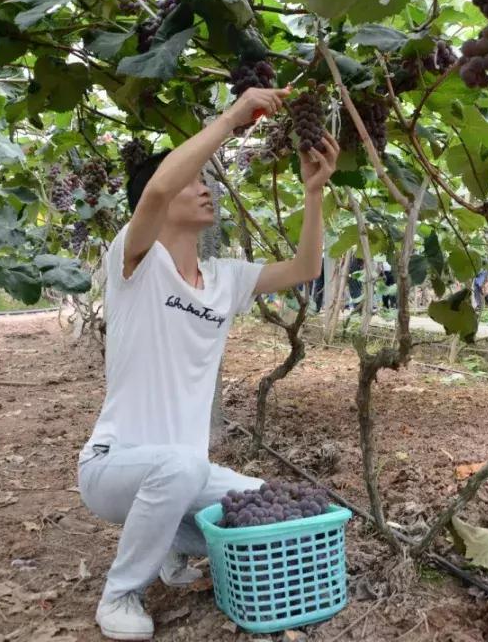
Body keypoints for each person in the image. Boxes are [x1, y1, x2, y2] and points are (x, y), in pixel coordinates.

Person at [77, 87, 339, 640]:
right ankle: (120, 594)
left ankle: (172, 544)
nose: (205, 189)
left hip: (183, 474)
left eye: (207, 182)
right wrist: (232, 119)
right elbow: (158, 187)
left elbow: (305, 268)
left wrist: (314, 192)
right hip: (111, 467)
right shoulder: (135, 262)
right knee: (180, 468)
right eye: (193, 182)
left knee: (274, 506)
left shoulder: (223, 280)